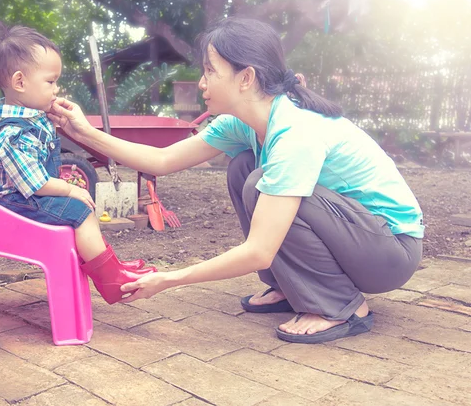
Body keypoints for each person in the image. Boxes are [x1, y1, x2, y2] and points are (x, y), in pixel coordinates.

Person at [48, 17, 424, 344]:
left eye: (210, 70)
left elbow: (260, 249)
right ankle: (292, 287)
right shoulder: (244, 122)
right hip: (358, 237)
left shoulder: (296, 134)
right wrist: (83, 132)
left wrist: (168, 280)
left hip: (388, 252)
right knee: (244, 168)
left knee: (266, 182)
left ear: (246, 78)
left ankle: (342, 305)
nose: (201, 82)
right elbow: (162, 160)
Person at [0, 22, 155, 304]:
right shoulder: (14, 133)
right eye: (50, 81)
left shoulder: (32, 118)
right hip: (9, 204)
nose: (56, 89)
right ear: (20, 82)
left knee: (80, 209)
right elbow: (35, 182)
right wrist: (68, 189)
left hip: (21, 197)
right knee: (79, 210)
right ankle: (110, 279)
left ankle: (111, 267)